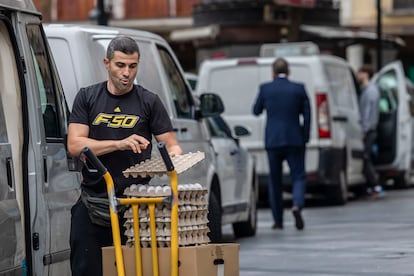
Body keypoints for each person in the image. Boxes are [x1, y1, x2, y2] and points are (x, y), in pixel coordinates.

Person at [67, 36, 183, 276]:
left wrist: (172, 161)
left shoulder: (149, 101)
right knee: (86, 268)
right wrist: (119, 144)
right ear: (106, 63)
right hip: (95, 201)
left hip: (137, 206)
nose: (126, 73)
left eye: (132, 66)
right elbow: (75, 144)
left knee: (136, 270)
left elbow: (172, 146)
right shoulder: (87, 97)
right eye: (120, 65)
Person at [253, 58, 310, 230]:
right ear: (289, 71)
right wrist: (304, 136)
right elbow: (307, 115)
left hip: (273, 140)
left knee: (275, 180)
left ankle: (278, 220)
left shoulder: (266, 88)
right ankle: (297, 205)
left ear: (273, 73)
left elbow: (256, 111)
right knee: (298, 175)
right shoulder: (298, 89)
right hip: (294, 139)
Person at [356, 64, 384, 199]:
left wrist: (364, 130)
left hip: (368, 129)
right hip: (369, 129)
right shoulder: (367, 90)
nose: (357, 76)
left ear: (365, 74)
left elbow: (368, 113)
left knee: (365, 157)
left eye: (359, 73)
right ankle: (370, 185)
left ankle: (375, 185)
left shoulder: (370, 91)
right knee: (367, 157)